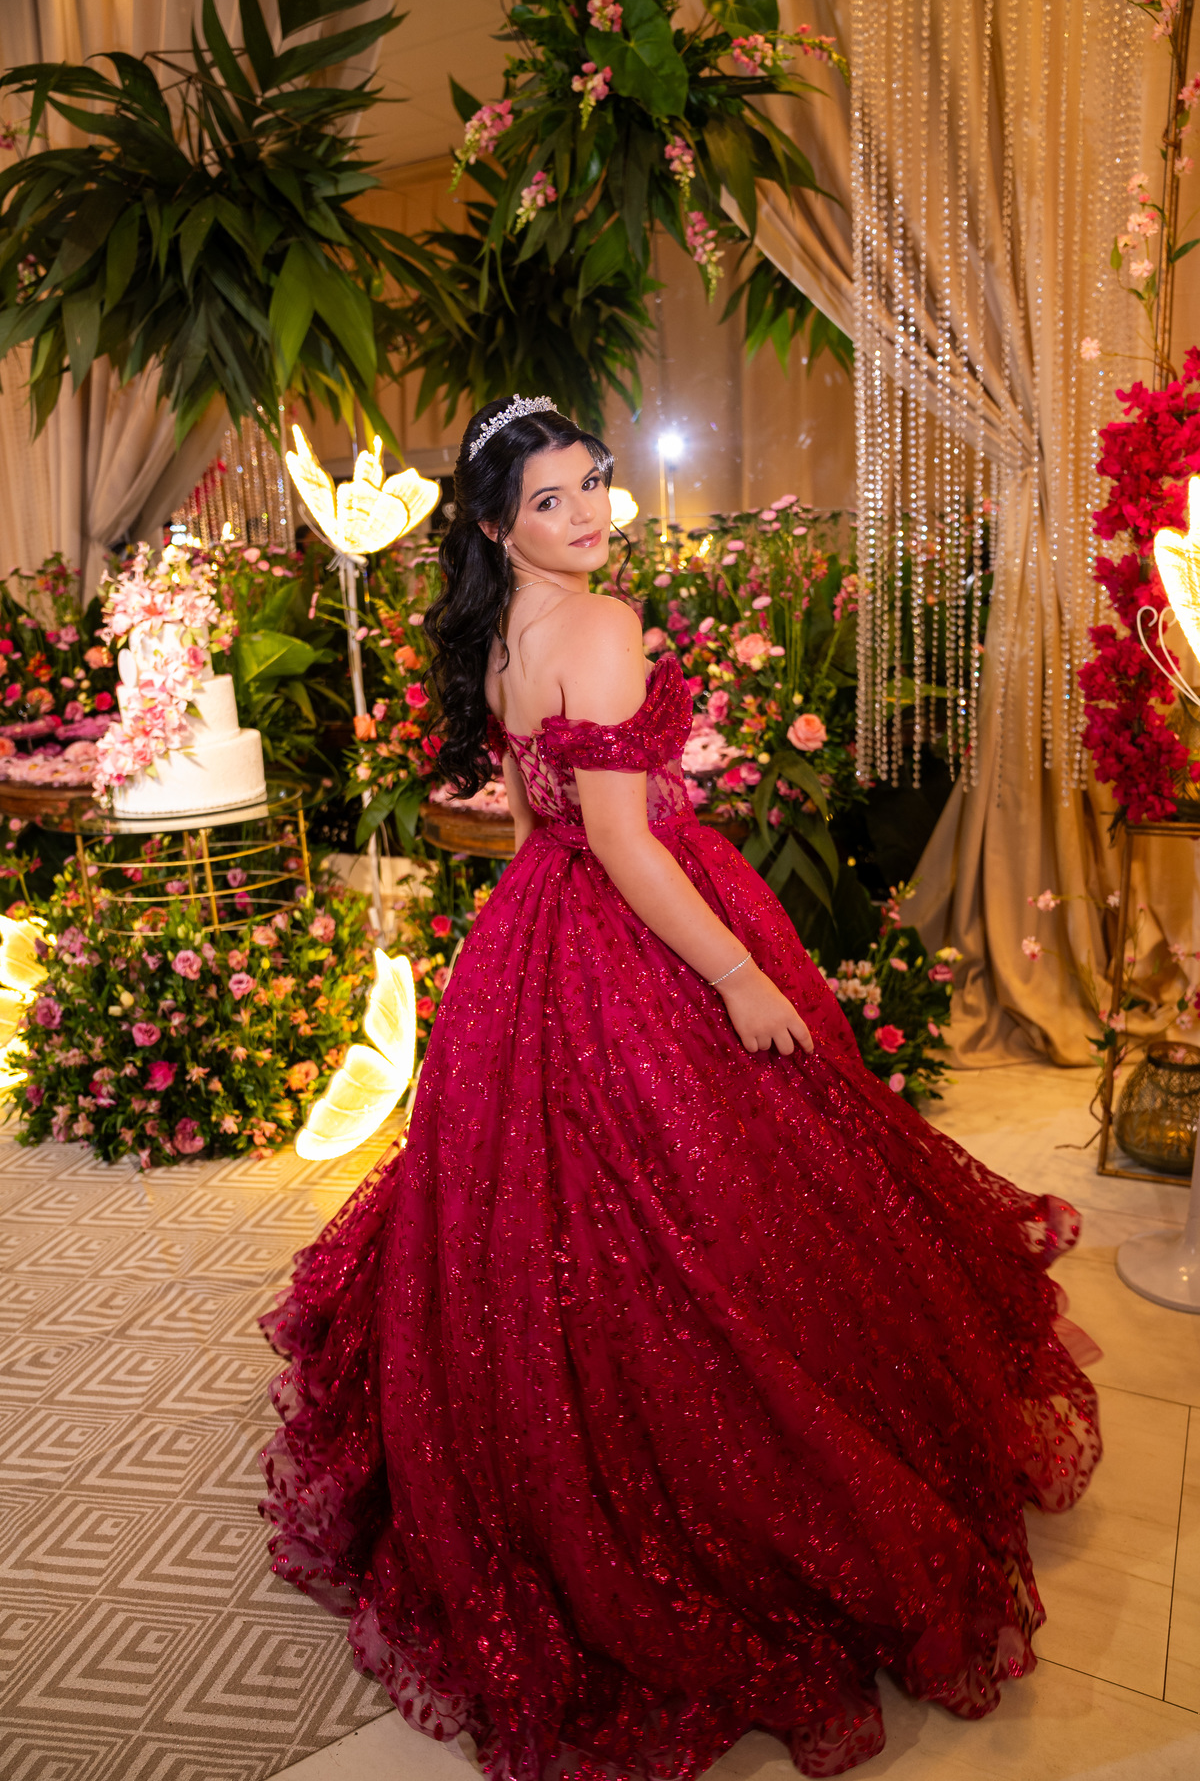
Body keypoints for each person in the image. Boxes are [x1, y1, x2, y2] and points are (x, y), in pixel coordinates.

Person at [259, 395, 1101, 1780]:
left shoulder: (503, 636)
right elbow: (625, 841)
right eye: (549, 500)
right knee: (713, 1204)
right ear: (497, 526)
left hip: (536, 927)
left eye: (591, 483)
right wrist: (737, 975)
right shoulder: (599, 625)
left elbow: (526, 823)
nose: (587, 512)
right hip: (638, 919)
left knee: (547, 1224)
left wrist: (543, 945)